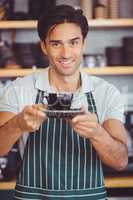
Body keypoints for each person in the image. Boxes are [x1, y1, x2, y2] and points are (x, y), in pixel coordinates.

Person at [0, 5, 128, 200]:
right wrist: (18, 124)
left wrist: (96, 133)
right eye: (56, 44)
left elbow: (120, 161)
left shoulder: (106, 93)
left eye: (74, 43)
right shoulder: (19, 89)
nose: (66, 53)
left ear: (83, 43)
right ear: (43, 46)